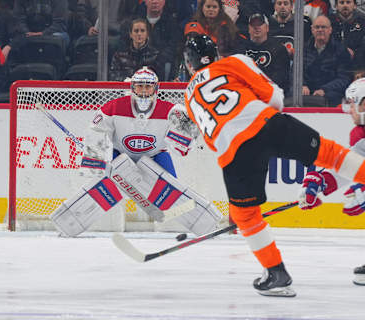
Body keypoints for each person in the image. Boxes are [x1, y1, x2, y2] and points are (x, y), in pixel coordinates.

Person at [182, 33, 365, 297]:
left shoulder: (189, 96)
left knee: (245, 214)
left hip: (233, 153)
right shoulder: (233, 62)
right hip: (266, 122)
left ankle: (276, 272)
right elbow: (275, 98)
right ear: (216, 54)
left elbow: (212, 140)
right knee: (328, 152)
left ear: (189, 65)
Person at [50, 67, 222, 238]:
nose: (144, 91)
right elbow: (97, 129)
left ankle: (200, 223)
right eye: (140, 86)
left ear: (156, 88)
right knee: (104, 190)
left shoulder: (169, 110)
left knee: (171, 194)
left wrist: (181, 142)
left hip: (156, 156)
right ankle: (71, 222)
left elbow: (189, 129)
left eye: (148, 86)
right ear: (132, 87)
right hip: (120, 155)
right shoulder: (114, 107)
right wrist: (97, 158)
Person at [298, 77, 365, 286]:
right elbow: (352, 163)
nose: (350, 110)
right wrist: (321, 182)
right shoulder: (361, 134)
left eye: (354, 104)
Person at [303, 15, 352, 107]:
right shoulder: (302, 49)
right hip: (307, 92)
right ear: (312, 30)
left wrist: (324, 90)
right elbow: (294, 73)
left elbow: (344, 79)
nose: (320, 30)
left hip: (330, 94)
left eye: (323, 27)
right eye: (317, 27)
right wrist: (302, 85)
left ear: (330, 30)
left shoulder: (341, 50)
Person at [245, 13, 291, 94]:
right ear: (249, 29)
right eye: (253, 24)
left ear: (267, 28)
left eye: (260, 24)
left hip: (271, 94)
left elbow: (280, 78)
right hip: (247, 93)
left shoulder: (279, 49)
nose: (256, 27)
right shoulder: (242, 48)